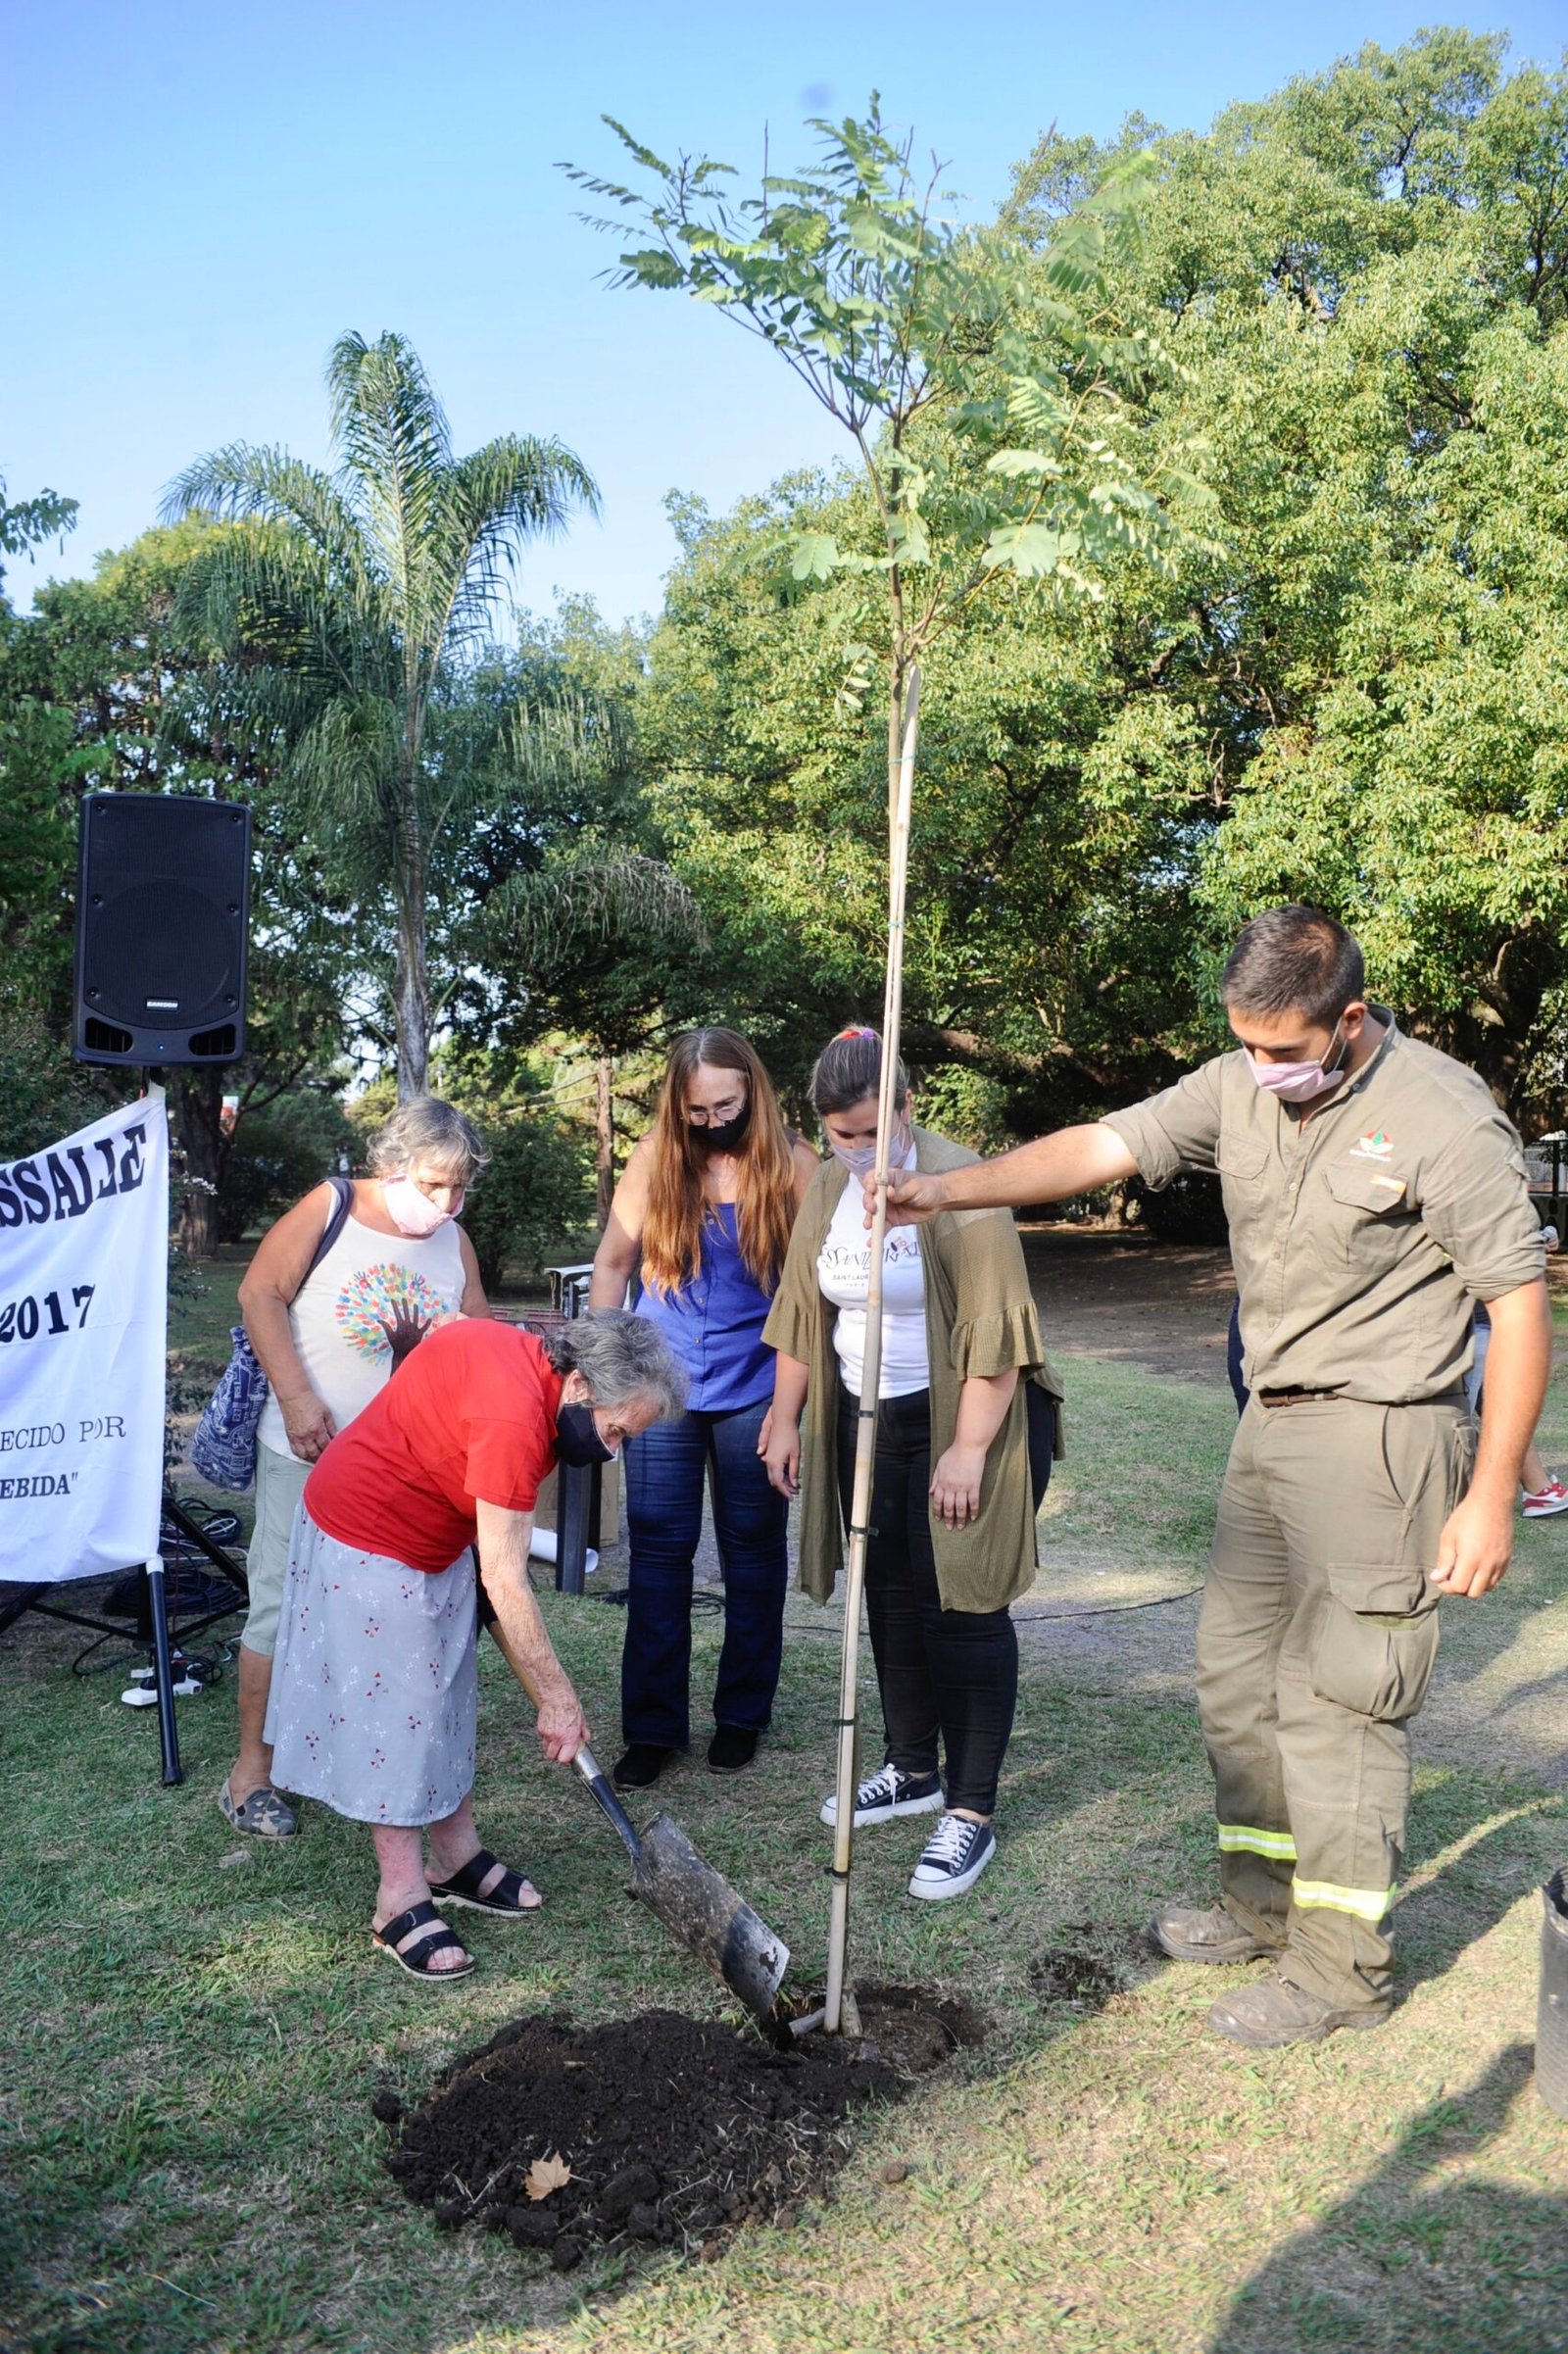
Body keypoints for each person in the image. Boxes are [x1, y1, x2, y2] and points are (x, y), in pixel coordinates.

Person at [880, 907, 1550, 2043]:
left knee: (1340, 1703)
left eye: (1282, 1049)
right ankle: (1258, 1902)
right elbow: (1105, 1142)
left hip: (1385, 1438)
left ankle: (1339, 1974)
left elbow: (1520, 1306)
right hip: (1266, 1424)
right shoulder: (1240, 1081)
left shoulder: (1441, 1117)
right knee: (1236, 1683)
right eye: (1243, 1043)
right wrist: (949, 1189)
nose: (1259, 1068)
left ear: (1348, 1020)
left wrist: (1489, 1494)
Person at [263, 1311, 687, 1984]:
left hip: (439, 1537)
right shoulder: (514, 1418)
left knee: (446, 1698)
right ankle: (398, 1898)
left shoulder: (531, 1367)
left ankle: (455, 1858)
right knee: (398, 1721)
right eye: (614, 1432)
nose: (612, 1451)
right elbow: (506, 1576)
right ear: (578, 1384)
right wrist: (558, 1700)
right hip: (369, 1536)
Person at [760, 1028, 1063, 1902]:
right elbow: (801, 1310)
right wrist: (785, 1419)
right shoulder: (826, 1184)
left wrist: (967, 1452)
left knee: (960, 1600)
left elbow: (997, 1335)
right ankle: (911, 1768)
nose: (854, 1150)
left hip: (970, 1413)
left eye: (867, 1130)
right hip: (867, 1419)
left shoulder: (960, 1185)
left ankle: (969, 1810)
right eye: (837, 1134)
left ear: (906, 1104)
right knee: (888, 1592)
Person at [220, 1097, 489, 1839]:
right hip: (307, 1452)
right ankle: (252, 1773)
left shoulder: (454, 1242)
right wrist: (300, 1400)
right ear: (390, 1166)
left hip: (406, 1477)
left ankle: (369, 1760)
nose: (445, 1203)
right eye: (433, 1185)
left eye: (459, 1189)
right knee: (279, 1604)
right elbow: (258, 1294)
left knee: (392, 1620)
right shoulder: (329, 1206)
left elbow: (477, 1342)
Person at [589, 1027, 820, 1787]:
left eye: (727, 1103)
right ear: (676, 1103)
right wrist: (606, 1374)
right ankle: (653, 1729)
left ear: (752, 1088)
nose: (715, 1119)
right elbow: (614, 1265)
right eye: (698, 1109)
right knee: (658, 1551)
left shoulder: (794, 1163)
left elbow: (810, 1297)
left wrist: (791, 1411)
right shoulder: (655, 1159)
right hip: (664, 1385)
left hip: (758, 1385)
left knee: (754, 1553)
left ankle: (741, 1717)